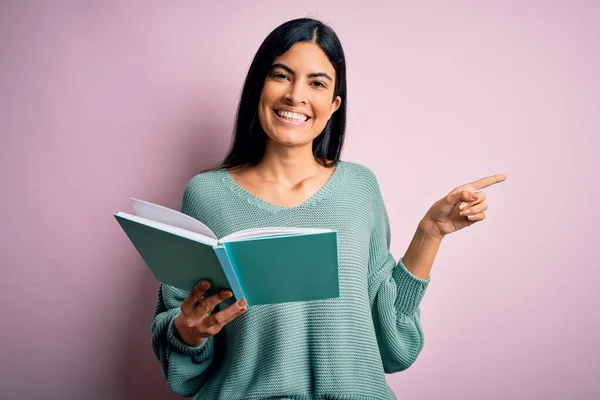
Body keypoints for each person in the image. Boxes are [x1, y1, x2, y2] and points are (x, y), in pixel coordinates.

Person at [151, 17, 506, 400]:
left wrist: (430, 233)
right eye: (281, 76)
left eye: (317, 83)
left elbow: (392, 345)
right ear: (259, 87)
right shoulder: (207, 195)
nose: (295, 96)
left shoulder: (359, 188)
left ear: (334, 103)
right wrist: (188, 331)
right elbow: (181, 341)